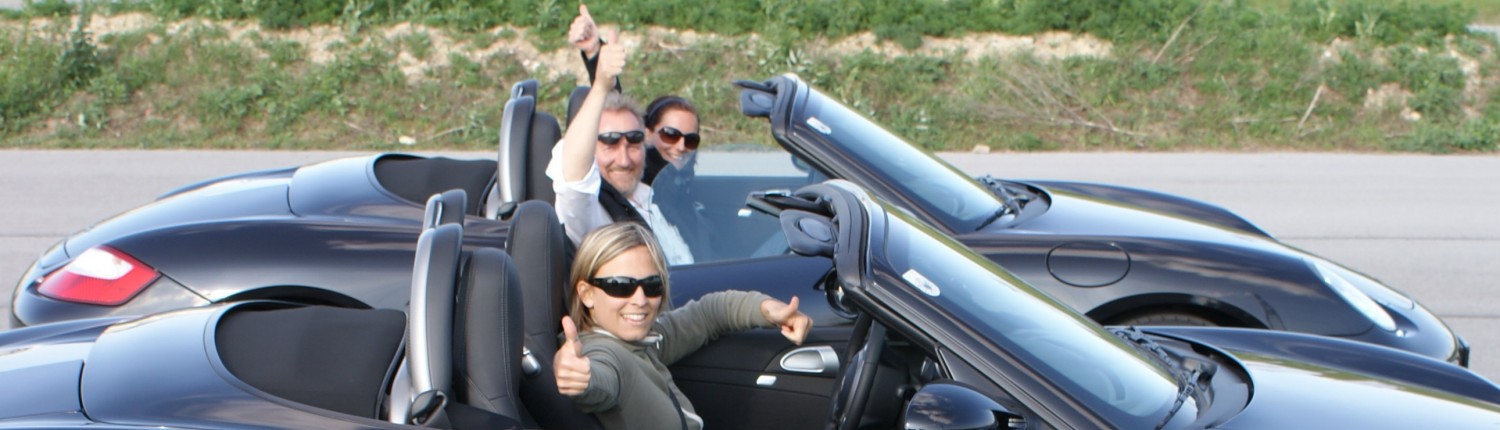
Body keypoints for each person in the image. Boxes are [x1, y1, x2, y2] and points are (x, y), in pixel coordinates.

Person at [552, 222, 812, 430]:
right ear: (586, 293)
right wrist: (580, 379)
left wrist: (768, 310)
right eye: (621, 286)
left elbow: (709, 313)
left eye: (652, 285)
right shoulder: (605, 354)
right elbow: (601, 381)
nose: (640, 300)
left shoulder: (641, 343)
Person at [545, 27, 695, 265]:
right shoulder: (591, 215)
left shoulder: (657, 192)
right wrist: (600, 87)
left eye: (633, 143)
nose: (624, 160)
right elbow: (574, 177)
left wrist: (595, 51)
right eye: (609, 144)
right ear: (591, 151)